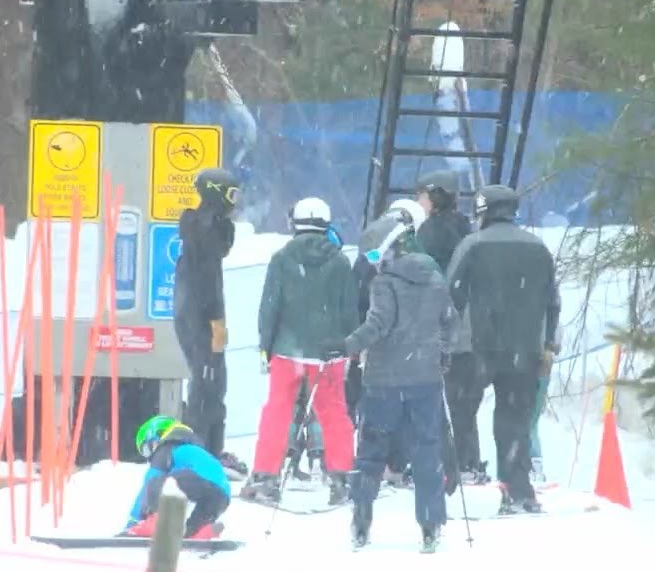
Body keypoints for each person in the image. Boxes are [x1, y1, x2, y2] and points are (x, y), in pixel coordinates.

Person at [326, 210, 455, 550]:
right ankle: (430, 525)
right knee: (427, 450)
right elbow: (449, 322)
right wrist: (442, 354)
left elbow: (377, 325)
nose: (373, 262)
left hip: (384, 381)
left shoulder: (383, 283)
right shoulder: (435, 277)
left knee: (372, 450)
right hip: (425, 380)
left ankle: (362, 519)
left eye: (374, 255)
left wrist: (346, 346)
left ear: (389, 249)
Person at [447, 185, 561, 515]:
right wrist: (549, 343)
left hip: (477, 348)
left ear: (483, 211)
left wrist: (442, 340)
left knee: (458, 411)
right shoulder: (538, 247)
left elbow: (450, 295)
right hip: (524, 350)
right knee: (514, 420)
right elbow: (552, 301)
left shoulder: (473, 244)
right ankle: (519, 491)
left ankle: (449, 475)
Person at [243, 197, 359, 506]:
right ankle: (341, 479)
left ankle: (266, 478)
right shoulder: (340, 261)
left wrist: (265, 347)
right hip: (328, 353)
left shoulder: (282, 258)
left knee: (278, 411)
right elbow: (349, 311)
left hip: (286, 351)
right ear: (326, 223)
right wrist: (350, 347)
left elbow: (269, 307)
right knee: (334, 413)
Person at [173, 168, 248, 478]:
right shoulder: (200, 228)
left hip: (214, 319)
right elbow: (210, 249)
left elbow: (222, 244)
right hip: (199, 320)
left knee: (217, 383)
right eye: (231, 195)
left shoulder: (214, 228)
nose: (236, 203)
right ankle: (198, 451)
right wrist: (204, 328)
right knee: (204, 385)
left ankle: (212, 449)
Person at [413, 171, 487, 485]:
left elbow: (420, 273)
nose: (420, 201)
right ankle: (469, 460)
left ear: (436, 196)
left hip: (439, 324)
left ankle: (444, 462)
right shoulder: (467, 230)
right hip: (472, 326)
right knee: (464, 401)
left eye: (423, 195)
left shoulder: (430, 231)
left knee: (432, 398)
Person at [125, 415, 231, 540]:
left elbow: (150, 480)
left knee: (156, 483)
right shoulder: (195, 450)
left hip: (199, 479)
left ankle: (155, 522)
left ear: (157, 436)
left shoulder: (167, 448)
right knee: (190, 532)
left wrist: (133, 523)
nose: (150, 456)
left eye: (147, 449)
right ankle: (202, 532)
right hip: (223, 493)